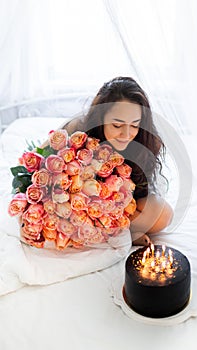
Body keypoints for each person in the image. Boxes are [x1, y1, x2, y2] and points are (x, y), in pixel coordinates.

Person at [57, 77, 173, 245]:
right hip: (73, 205)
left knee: (162, 213)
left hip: (115, 210)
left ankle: (116, 230)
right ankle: (115, 233)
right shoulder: (76, 130)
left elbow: (140, 197)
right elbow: (38, 167)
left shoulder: (144, 143)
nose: (126, 135)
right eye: (117, 126)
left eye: (134, 125)